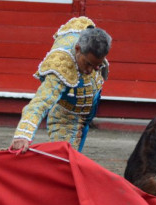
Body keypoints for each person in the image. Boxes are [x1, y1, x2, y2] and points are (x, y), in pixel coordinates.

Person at [9, 16, 112, 153]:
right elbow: (40, 103)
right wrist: (23, 134)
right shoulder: (60, 67)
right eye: (87, 64)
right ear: (77, 49)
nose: (89, 71)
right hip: (67, 118)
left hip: (88, 108)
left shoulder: (85, 28)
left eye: (97, 66)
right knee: (65, 165)